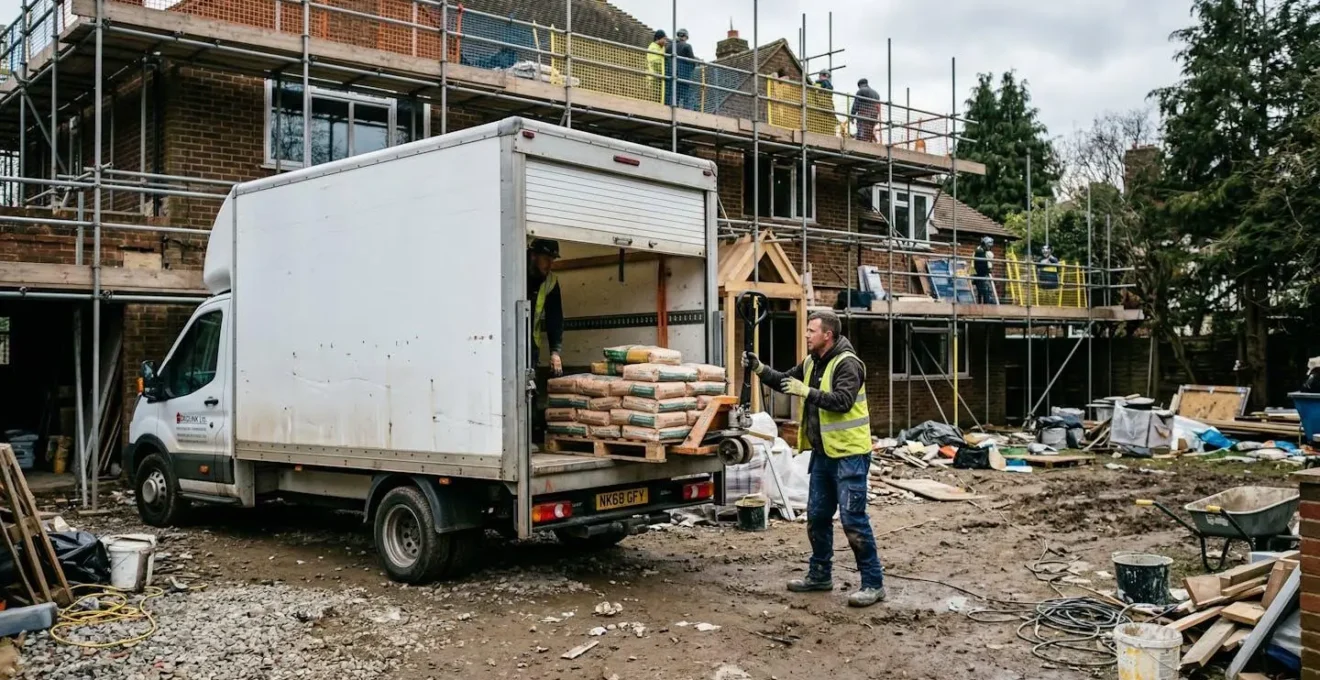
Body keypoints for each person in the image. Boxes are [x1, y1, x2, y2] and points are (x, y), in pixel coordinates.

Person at [743, 310, 885, 608]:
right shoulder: (812, 362)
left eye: (811, 331)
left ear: (827, 335)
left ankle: (873, 583)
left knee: (853, 520)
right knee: (818, 516)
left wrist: (806, 391)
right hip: (823, 454)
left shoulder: (848, 364)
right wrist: (759, 369)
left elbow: (843, 402)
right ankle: (820, 575)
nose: (806, 335)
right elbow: (785, 381)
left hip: (850, 454)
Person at [673, 28, 697, 110]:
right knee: (687, 96)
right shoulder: (687, 46)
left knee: (674, 96)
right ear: (686, 37)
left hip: (672, 75)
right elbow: (693, 62)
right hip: (684, 76)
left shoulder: (670, 47)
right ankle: (687, 112)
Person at [973, 236, 997, 304]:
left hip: (980, 274)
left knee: (984, 292)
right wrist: (987, 271)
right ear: (986, 244)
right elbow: (982, 265)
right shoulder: (980, 252)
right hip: (981, 274)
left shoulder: (980, 251)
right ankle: (987, 307)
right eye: (989, 246)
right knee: (985, 291)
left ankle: (985, 305)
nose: (989, 248)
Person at [647, 30, 668, 104]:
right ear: (658, 39)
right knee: (654, 98)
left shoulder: (662, 47)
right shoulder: (652, 47)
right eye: (664, 39)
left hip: (660, 78)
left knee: (660, 98)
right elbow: (655, 62)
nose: (665, 41)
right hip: (653, 77)